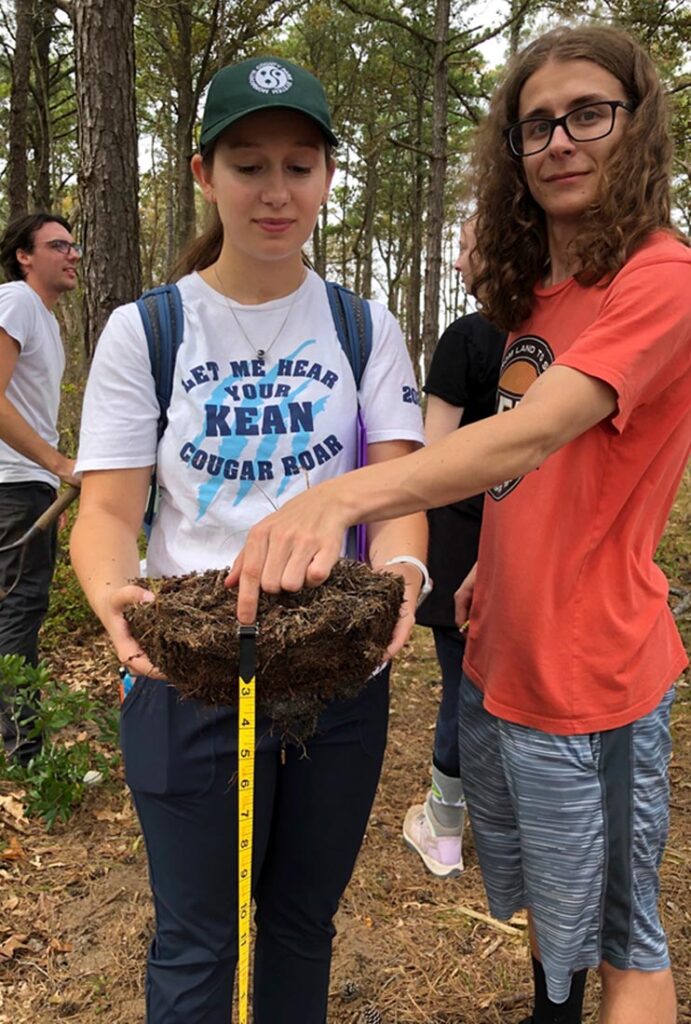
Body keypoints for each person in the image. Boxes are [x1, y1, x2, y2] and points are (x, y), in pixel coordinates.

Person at [231, 27, 691, 1024]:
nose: (560, 140)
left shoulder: (661, 277)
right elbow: (536, 471)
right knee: (547, 919)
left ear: (637, 127)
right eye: (536, 124)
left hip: (592, 677)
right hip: (506, 658)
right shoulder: (542, 296)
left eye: (588, 114)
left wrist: (344, 496)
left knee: (620, 936)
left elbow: (531, 436)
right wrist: (492, 564)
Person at [70, 57, 427, 1024]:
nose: (276, 192)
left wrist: (402, 568)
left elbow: (400, 491)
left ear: (326, 178)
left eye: (299, 166)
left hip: (336, 663)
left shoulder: (364, 329)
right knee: (196, 934)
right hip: (189, 661)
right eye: (249, 164)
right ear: (203, 173)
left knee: (302, 921)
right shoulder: (146, 330)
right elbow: (106, 510)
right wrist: (113, 594)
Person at [403, 218, 506, 878]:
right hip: (532, 540)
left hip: (462, 540)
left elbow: (432, 457)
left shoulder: (466, 338)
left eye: (467, 248)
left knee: (463, 693)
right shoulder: (561, 340)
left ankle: (443, 831)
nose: (459, 262)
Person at [0, 212, 81, 764]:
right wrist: (58, 463)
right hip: (14, 485)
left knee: (16, 610)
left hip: (28, 484)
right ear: (25, 255)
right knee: (18, 612)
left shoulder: (47, 320)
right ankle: (23, 753)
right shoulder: (17, 301)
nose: (72, 254)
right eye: (57, 245)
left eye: (74, 246)